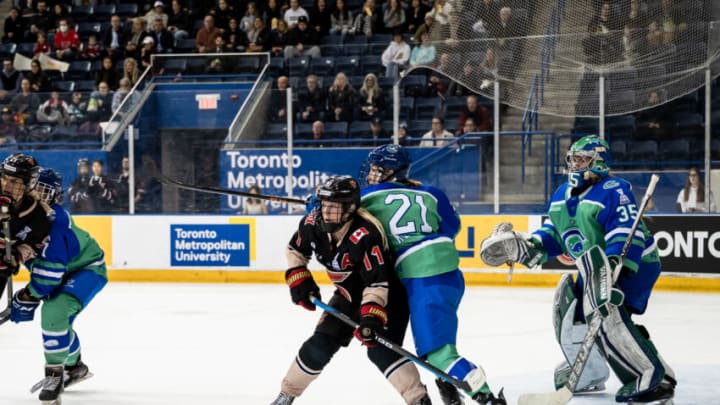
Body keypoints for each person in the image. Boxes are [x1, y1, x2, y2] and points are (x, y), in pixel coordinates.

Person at [479, 135, 676, 404]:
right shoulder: (561, 194)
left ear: (600, 163)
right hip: (592, 265)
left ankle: (652, 379)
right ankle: (588, 373)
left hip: (635, 263)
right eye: (573, 159)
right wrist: (530, 245)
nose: (575, 164)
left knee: (607, 314)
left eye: (583, 159)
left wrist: (616, 262)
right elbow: (554, 234)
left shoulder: (613, 188)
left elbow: (625, 230)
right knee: (568, 310)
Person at [359, 144, 506, 405]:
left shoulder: (368, 196)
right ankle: (448, 385)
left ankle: (487, 398)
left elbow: (336, 215)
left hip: (424, 276)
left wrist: (316, 202)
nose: (370, 174)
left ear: (390, 171)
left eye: (375, 169)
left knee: (440, 353)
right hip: (446, 273)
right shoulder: (431, 192)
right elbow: (452, 227)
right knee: (436, 343)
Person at [269, 176, 432, 405]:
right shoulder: (311, 223)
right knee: (320, 344)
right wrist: (300, 279)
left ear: (350, 209)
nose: (326, 213)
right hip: (347, 296)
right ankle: (286, 394)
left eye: (333, 208)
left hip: (387, 297)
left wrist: (370, 318)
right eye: (324, 205)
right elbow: (295, 250)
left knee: (381, 350)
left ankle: (419, 400)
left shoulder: (366, 234)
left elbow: (376, 283)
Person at [10, 168, 108, 405]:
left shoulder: (55, 221)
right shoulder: (24, 214)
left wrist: (28, 294)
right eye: (33, 189)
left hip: (85, 268)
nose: (36, 195)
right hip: (60, 272)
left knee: (53, 313)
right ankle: (75, 368)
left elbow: (49, 273)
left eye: (42, 190)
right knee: (60, 323)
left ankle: (54, 376)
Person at [0, 153, 53, 309]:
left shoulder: (38, 216)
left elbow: (31, 244)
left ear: (29, 184)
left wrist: (15, 257)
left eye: (14, 181)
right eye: (3, 178)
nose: (6, 186)